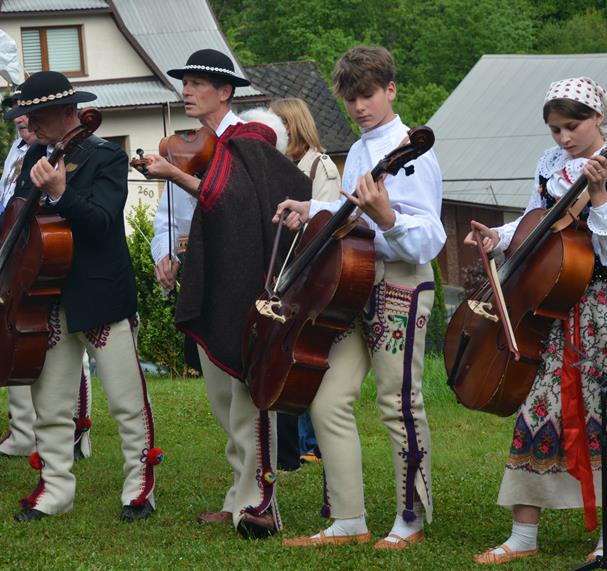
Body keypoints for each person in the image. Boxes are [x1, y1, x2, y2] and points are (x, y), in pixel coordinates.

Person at [465, 77, 607, 565]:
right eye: (555, 129)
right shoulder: (551, 164)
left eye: (572, 127)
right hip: (558, 304)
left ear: (598, 119)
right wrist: (498, 237)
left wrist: (599, 196)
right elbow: (536, 219)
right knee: (539, 409)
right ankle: (523, 535)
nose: (564, 138)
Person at [0, 71, 159, 523]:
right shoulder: (36, 155)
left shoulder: (106, 156)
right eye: (27, 115)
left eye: (38, 115)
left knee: (126, 400)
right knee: (50, 403)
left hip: (100, 296)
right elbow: (16, 213)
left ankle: (139, 486)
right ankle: (54, 488)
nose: (30, 123)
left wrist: (61, 192)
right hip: (44, 296)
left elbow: (102, 222)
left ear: (67, 112)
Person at [274, 46, 445, 550]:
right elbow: (351, 215)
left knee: (398, 401)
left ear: (391, 90)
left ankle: (411, 516)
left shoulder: (415, 153)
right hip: (354, 284)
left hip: (402, 282)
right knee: (328, 398)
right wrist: (311, 207)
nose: (359, 107)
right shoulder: (360, 150)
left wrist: (388, 217)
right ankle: (348, 519)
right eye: (350, 98)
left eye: (367, 95)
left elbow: (430, 239)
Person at [138, 48, 311, 538]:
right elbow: (171, 214)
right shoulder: (191, 147)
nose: (187, 91)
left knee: (247, 396)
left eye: (198, 83)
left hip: (246, 283)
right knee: (222, 399)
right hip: (209, 280)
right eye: (185, 83)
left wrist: (175, 175)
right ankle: (238, 494)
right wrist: (164, 252)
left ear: (225, 92)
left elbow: (235, 201)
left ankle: (259, 501)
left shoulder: (251, 139)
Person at [0, 107, 93, 462]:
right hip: (28, 266)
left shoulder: (91, 153)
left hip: (71, 272)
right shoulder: (28, 154)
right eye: (22, 122)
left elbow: (92, 217)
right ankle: (25, 431)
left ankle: (77, 431)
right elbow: (15, 205)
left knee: (73, 364)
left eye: (32, 120)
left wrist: (58, 191)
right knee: (25, 347)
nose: (27, 127)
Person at [267, 97, 341, 468]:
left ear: (291, 126)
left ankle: (313, 441)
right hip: (281, 271)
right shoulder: (276, 164)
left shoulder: (319, 165)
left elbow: (328, 223)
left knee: (308, 352)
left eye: (277, 123)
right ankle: (290, 444)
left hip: (308, 273)